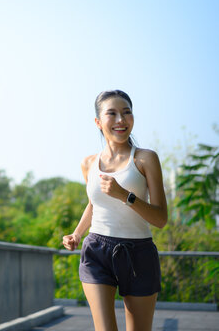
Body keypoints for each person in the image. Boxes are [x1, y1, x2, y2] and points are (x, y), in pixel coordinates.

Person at [62, 90, 168, 331]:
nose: (121, 119)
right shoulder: (88, 163)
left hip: (138, 254)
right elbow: (94, 203)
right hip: (97, 250)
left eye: (127, 112)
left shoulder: (145, 159)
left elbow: (161, 219)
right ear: (98, 122)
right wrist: (77, 234)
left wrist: (125, 196)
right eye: (112, 113)